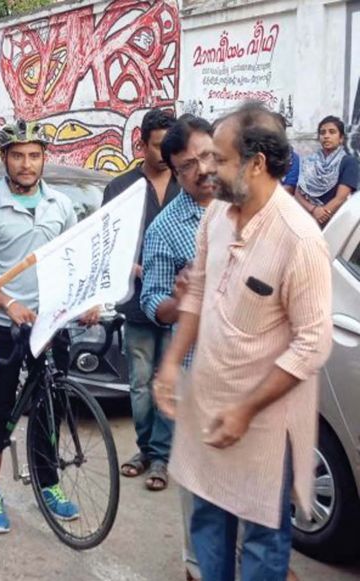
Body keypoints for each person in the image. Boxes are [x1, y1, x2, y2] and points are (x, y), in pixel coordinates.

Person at [154, 102, 333, 581]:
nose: (207, 169)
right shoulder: (216, 216)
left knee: (260, 542)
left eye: (220, 159)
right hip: (210, 404)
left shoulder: (300, 239)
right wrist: (171, 364)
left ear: (256, 164)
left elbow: (313, 344)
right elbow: (195, 295)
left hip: (263, 425)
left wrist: (247, 410)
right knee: (208, 521)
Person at [0, 119, 99, 534]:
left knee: (50, 407)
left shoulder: (61, 205)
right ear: (4, 159)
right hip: (5, 325)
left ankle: (48, 483)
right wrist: (8, 303)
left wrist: (87, 299)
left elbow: (74, 261)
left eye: (34, 155)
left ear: (43, 158)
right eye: (18, 155)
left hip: (51, 323)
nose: (26, 164)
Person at [140, 114, 216, 581]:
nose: (203, 169)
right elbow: (152, 303)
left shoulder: (248, 202)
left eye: (208, 155)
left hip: (253, 367)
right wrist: (178, 299)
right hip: (197, 369)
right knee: (199, 486)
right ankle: (197, 568)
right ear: (173, 169)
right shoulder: (165, 230)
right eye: (188, 165)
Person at [102, 108, 179, 491]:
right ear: (141, 144)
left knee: (170, 381)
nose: (166, 155)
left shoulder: (188, 185)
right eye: (159, 146)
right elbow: (107, 242)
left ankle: (162, 457)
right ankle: (146, 449)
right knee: (140, 383)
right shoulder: (120, 188)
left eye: (171, 146)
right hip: (136, 303)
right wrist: (132, 267)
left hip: (180, 307)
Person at [294, 115, 360, 226]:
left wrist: (321, 215)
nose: (326, 136)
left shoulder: (349, 162)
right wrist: (314, 210)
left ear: (341, 138)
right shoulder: (309, 161)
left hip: (335, 222)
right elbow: (298, 192)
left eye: (332, 132)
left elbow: (340, 198)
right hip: (308, 219)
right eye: (322, 132)